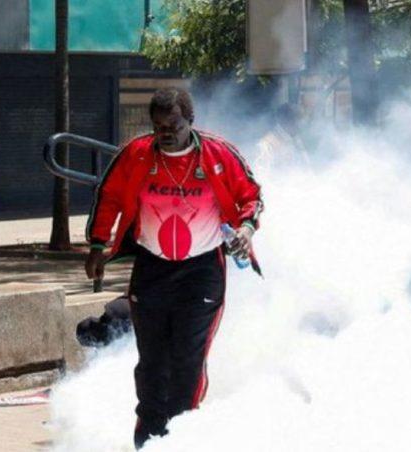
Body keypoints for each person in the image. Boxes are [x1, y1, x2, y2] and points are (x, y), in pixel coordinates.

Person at [84, 87, 263, 449]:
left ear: (190, 121)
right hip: (153, 268)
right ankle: (147, 436)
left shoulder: (217, 154)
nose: (166, 133)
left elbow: (251, 196)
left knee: (187, 361)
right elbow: (110, 197)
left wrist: (245, 229)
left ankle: (182, 438)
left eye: (174, 125)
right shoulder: (135, 155)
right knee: (152, 360)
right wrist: (99, 244)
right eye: (159, 126)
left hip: (202, 272)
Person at [255, 103, 310, 172]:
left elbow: (307, 166)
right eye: (297, 122)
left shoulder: (295, 138)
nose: (300, 126)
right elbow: (261, 175)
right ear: (285, 122)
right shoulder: (266, 144)